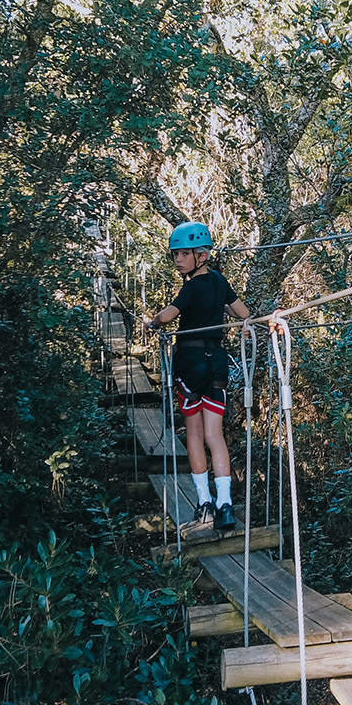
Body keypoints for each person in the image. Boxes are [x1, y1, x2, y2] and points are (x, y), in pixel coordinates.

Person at [145, 222, 252, 536]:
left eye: (183, 254)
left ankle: (205, 502)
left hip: (190, 364)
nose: (177, 260)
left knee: (194, 433)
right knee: (214, 435)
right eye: (175, 255)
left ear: (201, 255)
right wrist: (241, 321)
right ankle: (226, 504)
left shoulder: (191, 286)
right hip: (217, 364)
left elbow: (170, 314)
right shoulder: (220, 282)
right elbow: (242, 312)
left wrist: (151, 323)